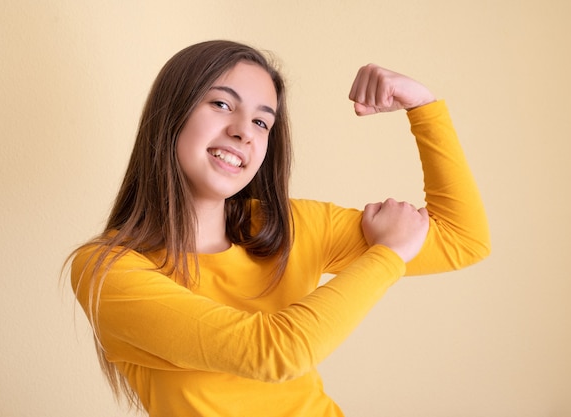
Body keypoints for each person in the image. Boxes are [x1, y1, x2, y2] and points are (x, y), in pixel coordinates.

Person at [68, 40, 490, 417]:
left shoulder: (287, 226)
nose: (242, 132)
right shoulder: (108, 270)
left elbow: (463, 240)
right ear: (171, 113)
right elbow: (274, 353)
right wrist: (387, 255)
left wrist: (423, 107)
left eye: (261, 122)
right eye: (220, 104)